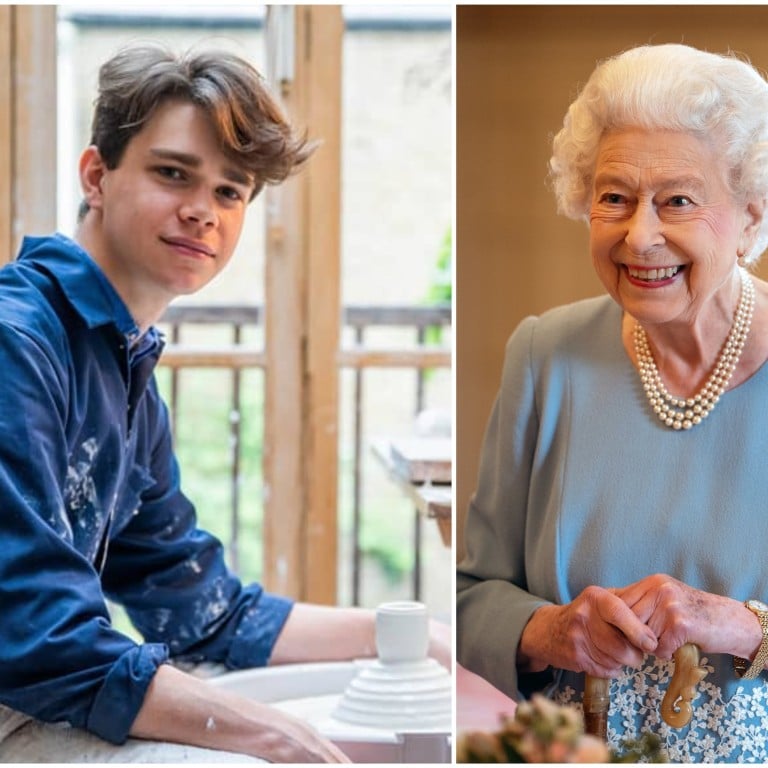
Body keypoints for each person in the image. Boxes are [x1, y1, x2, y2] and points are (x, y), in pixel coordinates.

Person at [0, 43, 450, 763]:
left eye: (230, 191)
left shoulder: (124, 369)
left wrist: (408, 634)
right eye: (174, 173)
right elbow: (34, 633)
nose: (202, 212)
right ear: (96, 175)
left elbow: (199, 609)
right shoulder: (17, 341)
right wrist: (269, 733)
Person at [456, 43, 768, 763]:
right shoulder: (545, 354)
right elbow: (473, 593)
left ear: (751, 217)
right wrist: (551, 629)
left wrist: (741, 624)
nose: (640, 234)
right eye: (614, 197)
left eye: (678, 201)